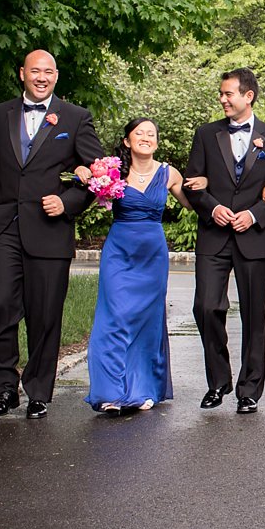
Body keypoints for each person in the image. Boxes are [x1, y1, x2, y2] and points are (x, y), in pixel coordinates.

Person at [0, 49, 106, 420]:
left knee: (45, 313)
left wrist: (68, 202)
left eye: (48, 72)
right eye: (35, 71)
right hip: (2, 227)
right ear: (22, 74)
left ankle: (38, 391)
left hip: (49, 230)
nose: (41, 77)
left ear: (56, 76)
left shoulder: (76, 118)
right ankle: (2, 388)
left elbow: (102, 175)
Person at [185, 68, 265, 414]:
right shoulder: (205, 134)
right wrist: (212, 208)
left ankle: (249, 389)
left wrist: (256, 214)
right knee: (206, 306)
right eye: (221, 93)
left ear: (248, 96)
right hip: (214, 236)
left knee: (253, 314)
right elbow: (193, 182)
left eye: (228, 93)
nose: (222, 99)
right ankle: (218, 381)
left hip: (253, 238)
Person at [82, 118, 194, 413]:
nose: (146, 137)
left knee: (146, 319)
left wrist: (206, 184)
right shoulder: (112, 174)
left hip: (152, 255)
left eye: (151, 134)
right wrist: (85, 176)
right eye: (139, 133)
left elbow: (191, 203)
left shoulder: (169, 173)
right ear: (127, 141)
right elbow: (89, 200)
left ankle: (143, 387)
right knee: (115, 317)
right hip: (119, 251)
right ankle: (111, 390)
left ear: (157, 141)